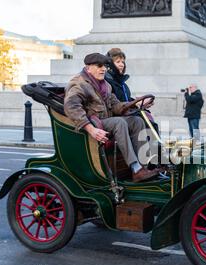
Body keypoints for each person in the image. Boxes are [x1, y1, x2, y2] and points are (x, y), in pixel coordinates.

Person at [64, 53, 159, 183]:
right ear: (88, 68)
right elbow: (71, 107)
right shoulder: (79, 83)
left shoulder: (105, 85)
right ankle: (135, 168)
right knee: (119, 122)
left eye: (105, 66)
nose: (103, 69)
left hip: (106, 120)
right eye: (99, 66)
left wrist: (134, 104)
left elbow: (115, 105)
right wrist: (91, 129)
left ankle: (143, 167)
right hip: (95, 123)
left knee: (137, 121)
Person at [105, 48, 158, 133]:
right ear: (110, 65)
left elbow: (127, 99)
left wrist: (141, 103)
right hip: (116, 115)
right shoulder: (108, 82)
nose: (121, 64)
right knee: (142, 121)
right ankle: (147, 145)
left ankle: (154, 145)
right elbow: (115, 103)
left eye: (122, 62)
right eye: (118, 62)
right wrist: (136, 104)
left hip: (126, 112)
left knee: (148, 117)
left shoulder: (122, 84)